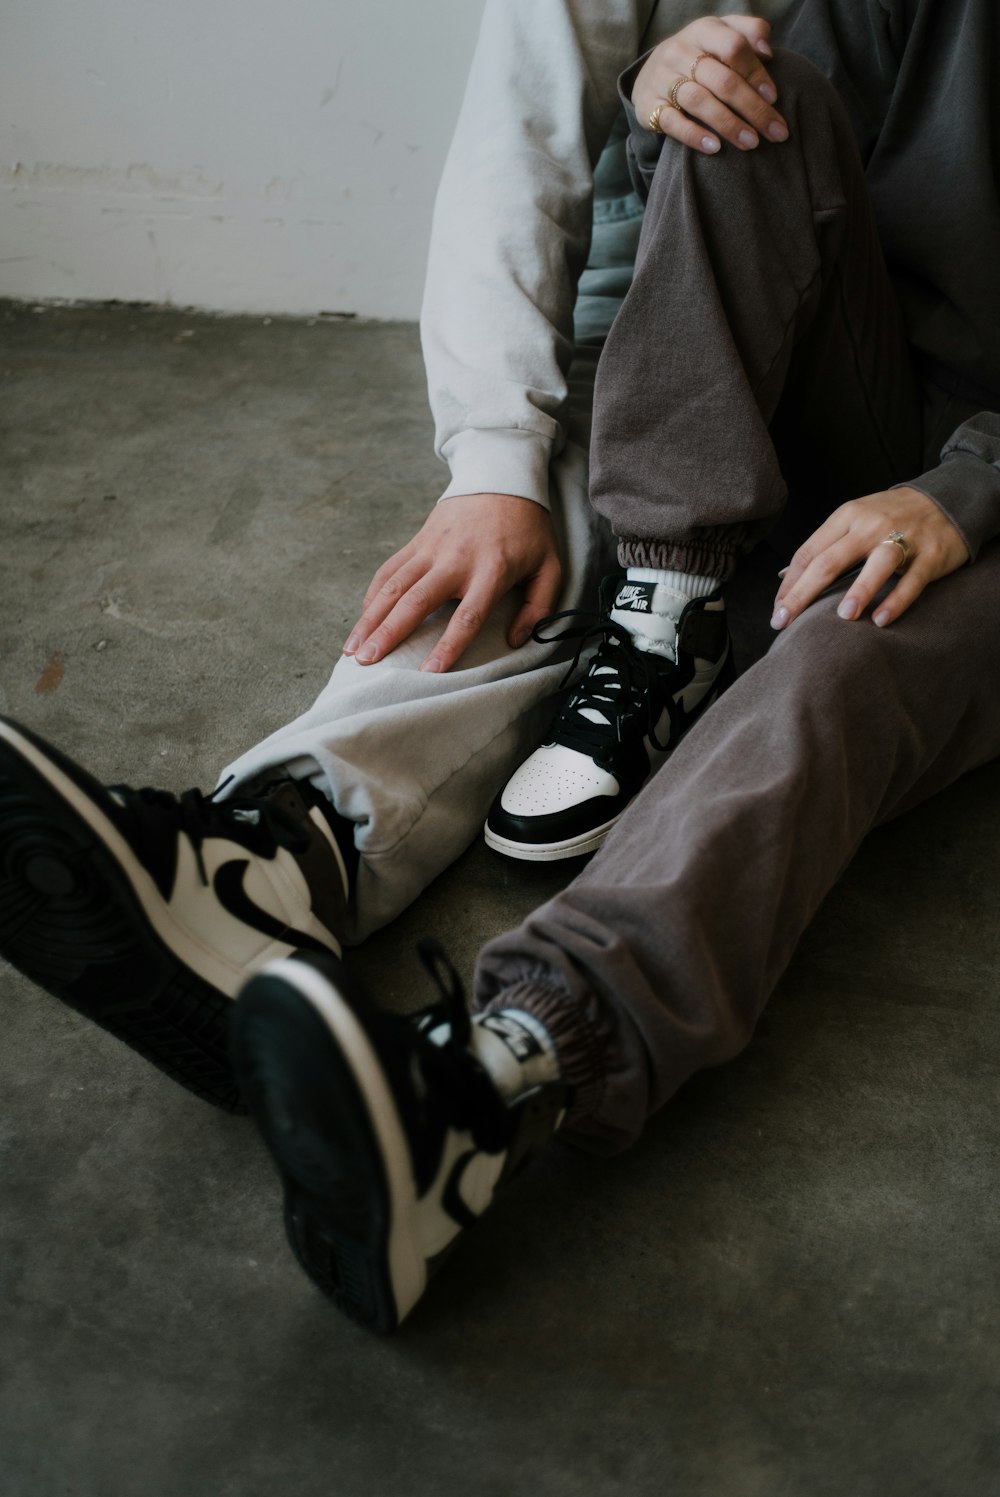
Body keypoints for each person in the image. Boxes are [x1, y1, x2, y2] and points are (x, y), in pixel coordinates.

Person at [3, 0, 999, 1335]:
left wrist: (972, 488)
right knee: (531, 543)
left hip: (971, 458)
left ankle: (501, 1079)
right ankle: (270, 853)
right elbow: (518, 146)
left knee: (842, 658)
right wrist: (498, 462)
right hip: (727, 352)